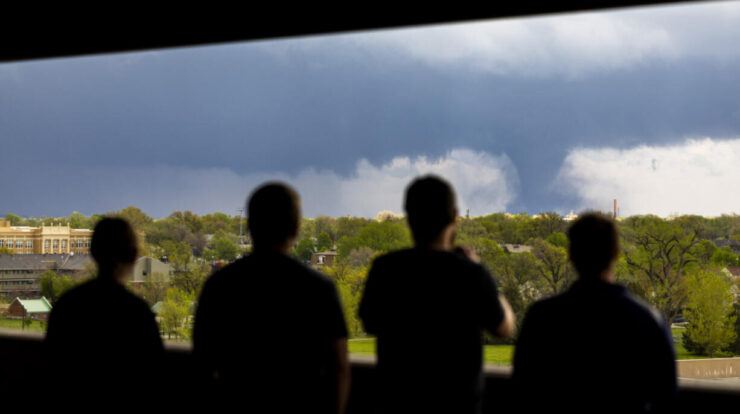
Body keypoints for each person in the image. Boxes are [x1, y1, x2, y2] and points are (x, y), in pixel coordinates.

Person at [359, 175, 515, 414]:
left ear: (409, 217)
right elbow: (503, 328)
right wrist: (483, 274)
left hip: (398, 403)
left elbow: (370, 324)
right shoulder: (470, 273)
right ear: (454, 216)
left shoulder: (385, 269)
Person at [193, 182, 350, 414]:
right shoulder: (318, 288)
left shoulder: (219, 286)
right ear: (296, 227)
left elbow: (202, 365)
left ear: (250, 226)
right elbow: (339, 368)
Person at [512, 213, 677, 413]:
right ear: (616, 253)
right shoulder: (647, 320)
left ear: (571, 254)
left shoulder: (542, 317)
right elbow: (667, 398)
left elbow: (521, 390)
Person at [44, 217, 164, 407]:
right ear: (134, 255)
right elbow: (155, 376)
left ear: (92, 252)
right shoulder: (136, 313)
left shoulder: (67, 305)